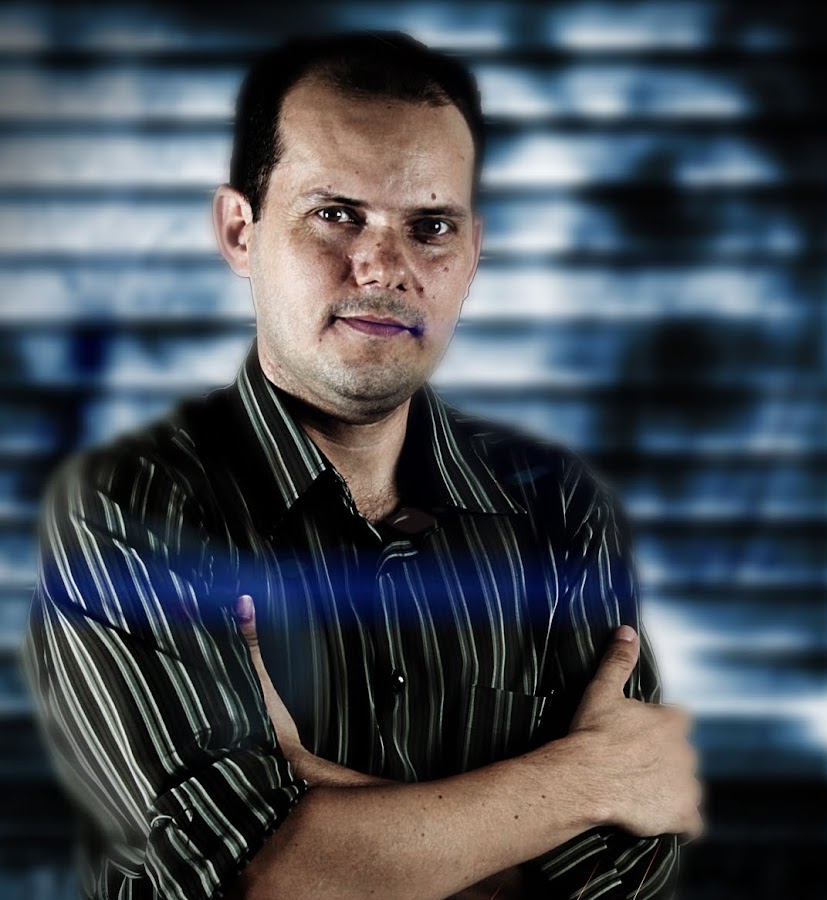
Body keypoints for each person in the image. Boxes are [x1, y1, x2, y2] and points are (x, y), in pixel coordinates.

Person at [23, 32, 702, 900]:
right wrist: (585, 781)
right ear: (240, 231)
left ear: (473, 253)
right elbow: (264, 878)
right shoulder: (130, 510)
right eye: (337, 214)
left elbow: (624, 870)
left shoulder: (558, 508)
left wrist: (326, 826)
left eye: (431, 226)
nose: (383, 267)